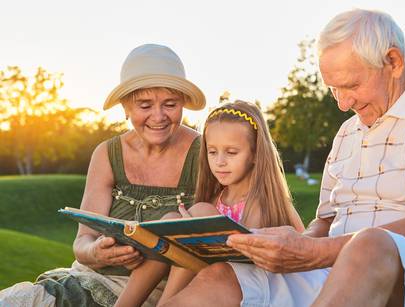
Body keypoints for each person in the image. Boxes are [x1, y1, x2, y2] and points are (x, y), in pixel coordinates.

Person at [160, 9, 405, 307]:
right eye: (333, 89)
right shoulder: (348, 132)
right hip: (335, 268)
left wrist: (312, 254)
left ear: (393, 62)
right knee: (224, 276)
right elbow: (323, 224)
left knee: (370, 245)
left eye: (350, 86)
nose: (342, 103)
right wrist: (284, 247)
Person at [0, 43, 206, 307]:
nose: (159, 116)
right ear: (126, 107)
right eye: (144, 105)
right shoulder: (107, 154)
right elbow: (82, 242)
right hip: (91, 281)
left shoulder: (206, 153)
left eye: (170, 104)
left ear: (183, 104)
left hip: (160, 294)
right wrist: (97, 253)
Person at [115, 100, 305, 307]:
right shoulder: (216, 199)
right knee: (171, 220)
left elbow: (304, 257)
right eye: (212, 152)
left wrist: (192, 233)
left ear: (255, 155)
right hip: (204, 281)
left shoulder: (264, 204)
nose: (220, 161)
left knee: (196, 218)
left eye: (231, 152)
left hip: (246, 288)